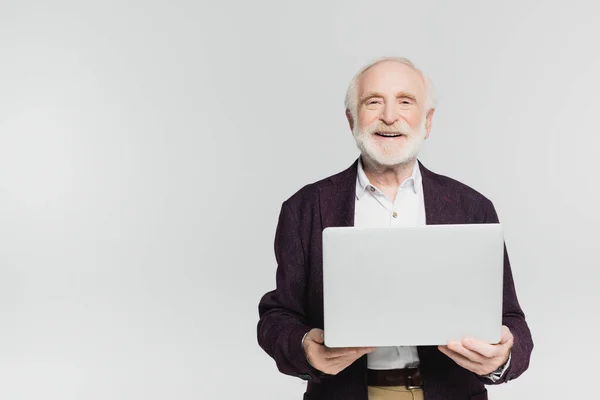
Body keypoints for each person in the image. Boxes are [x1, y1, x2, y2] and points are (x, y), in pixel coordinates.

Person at [257, 57, 533, 400]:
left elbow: (512, 322)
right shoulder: (304, 208)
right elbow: (278, 316)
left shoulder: (472, 208)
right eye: (373, 102)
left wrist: (501, 357)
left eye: (405, 101)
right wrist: (304, 349)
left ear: (427, 121)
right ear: (351, 120)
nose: (389, 116)